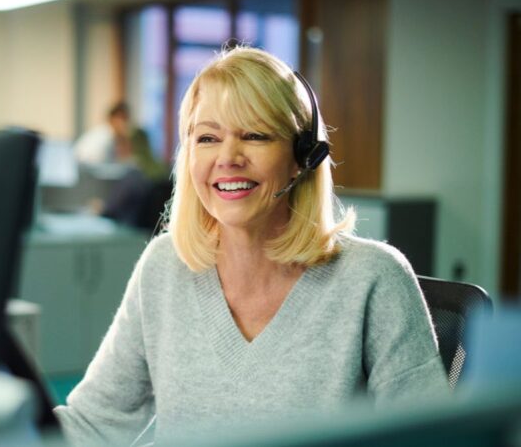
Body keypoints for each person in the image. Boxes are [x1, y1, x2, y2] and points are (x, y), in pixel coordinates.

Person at [53, 46, 450, 446]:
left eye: (255, 135)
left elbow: (435, 438)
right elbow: (94, 423)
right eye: (207, 137)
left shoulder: (371, 279)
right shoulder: (164, 266)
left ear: (303, 157)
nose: (228, 157)